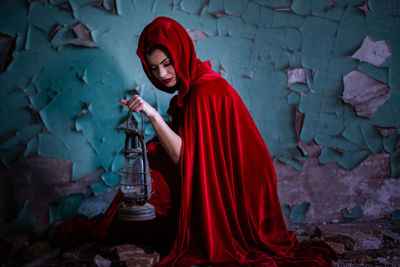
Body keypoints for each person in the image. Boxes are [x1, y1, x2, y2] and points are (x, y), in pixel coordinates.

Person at [58, 17, 336, 266]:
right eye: (154, 69)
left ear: (182, 53)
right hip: (240, 176)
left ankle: (127, 231)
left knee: (154, 160)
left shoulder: (202, 92)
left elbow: (186, 159)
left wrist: (153, 114)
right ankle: (134, 230)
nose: (163, 75)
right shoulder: (196, 82)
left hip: (245, 186)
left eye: (167, 64)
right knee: (154, 154)